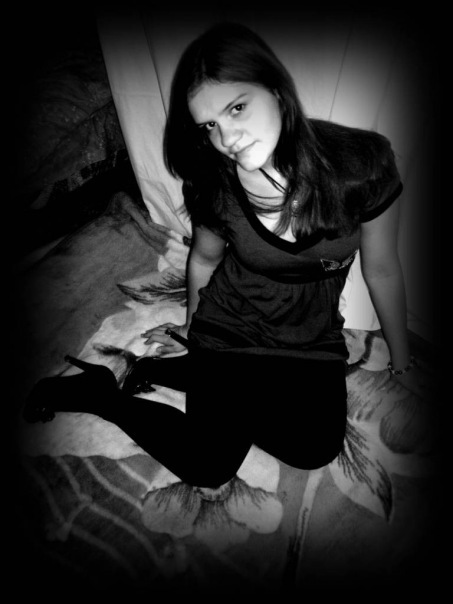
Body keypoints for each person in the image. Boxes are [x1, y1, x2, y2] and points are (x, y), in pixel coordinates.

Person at [23, 22, 421, 489]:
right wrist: (194, 332)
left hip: (309, 335)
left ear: (276, 90)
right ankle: (101, 394)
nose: (227, 137)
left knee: (314, 448)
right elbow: (204, 261)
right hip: (232, 327)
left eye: (236, 107)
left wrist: (401, 356)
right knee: (209, 466)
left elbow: (382, 269)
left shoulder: (363, 167)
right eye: (210, 125)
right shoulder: (216, 185)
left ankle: (190, 379)